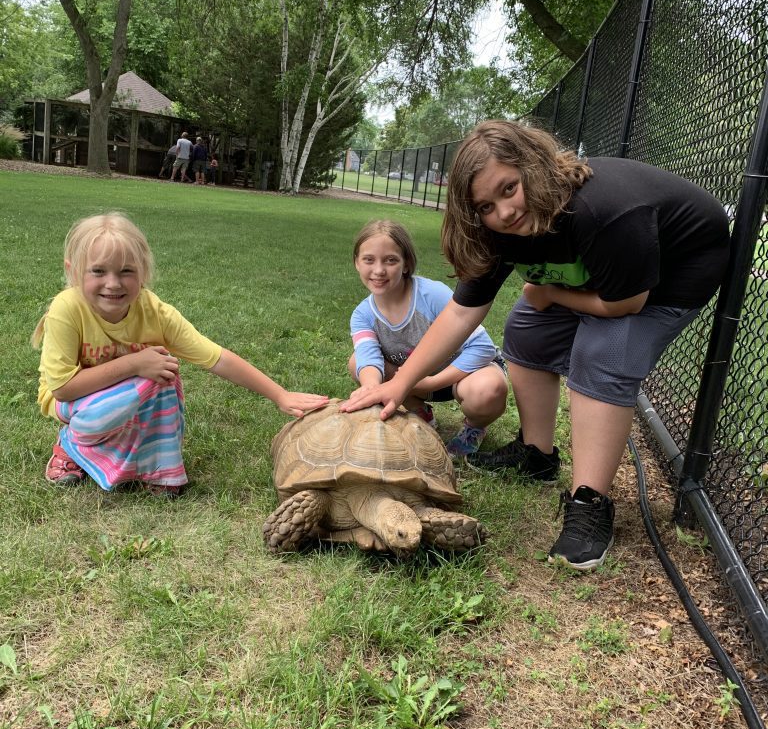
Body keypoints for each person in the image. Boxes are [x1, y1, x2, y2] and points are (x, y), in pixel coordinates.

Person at [341, 121, 730, 570]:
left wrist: (551, 293)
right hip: (599, 274)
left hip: (669, 276)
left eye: (510, 188)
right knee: (527, 325)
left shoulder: (602, 211)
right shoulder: (500, 229)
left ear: (535, 166)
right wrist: (401, 383)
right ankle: (537, 454)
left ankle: (589, 503)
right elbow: (463, 313)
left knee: (599, 352)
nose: (504, 212)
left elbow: (626, 301)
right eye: (486, 205)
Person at [34, 213, 328, 498]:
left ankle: (158, 468)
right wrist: (134, 363)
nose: (113, 283)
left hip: (122, 397)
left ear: (143, 272)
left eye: (126, 271)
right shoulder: (67, 309)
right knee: (146, 373)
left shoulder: (155, 312)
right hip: (71, 403)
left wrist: (280, 395)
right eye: (98, 271)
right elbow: (61, 389)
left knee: (163, 374)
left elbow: (217, 357)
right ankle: (71, 446)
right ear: (73, 271)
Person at [349, 219, 508, 457]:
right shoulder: (362, 314)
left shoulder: (431, 294)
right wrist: (371, 389)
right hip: (414, 382)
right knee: (357, 364)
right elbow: (368, 357)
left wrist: (430, 383)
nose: (379, 270)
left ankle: (474, 428)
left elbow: (482, 348)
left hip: (462, 375)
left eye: (390, 260)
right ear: (357, 264)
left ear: (406, 264)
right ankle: (419, 413)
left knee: (487, 390)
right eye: (368, 260)